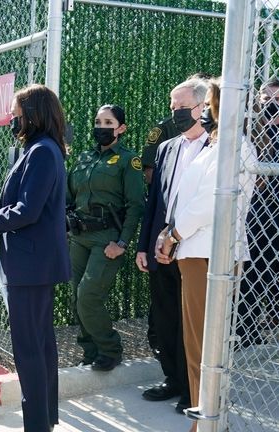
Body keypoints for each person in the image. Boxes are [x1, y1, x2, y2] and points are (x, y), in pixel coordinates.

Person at [0, 84, 70, 432]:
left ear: (33, 115)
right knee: (40, 347)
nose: (13, 119)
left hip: (31, 266)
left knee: (29, 351)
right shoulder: (43, 148)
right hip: (35, 264)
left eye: (16, 114)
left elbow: (27, 211)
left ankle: (37, 425)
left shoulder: (41, 151)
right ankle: (45, 420)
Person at [155, 79, 255, 432]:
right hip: (196, 252)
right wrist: (170, 234)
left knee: (203, 347)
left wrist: (174, 235)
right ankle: (207, 418)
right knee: (197, 344)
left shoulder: (234, 147)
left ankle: (208, 421)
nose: (204, 113)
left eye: (209, 105)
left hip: (209, 255)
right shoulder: (215, 147)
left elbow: (210, 202)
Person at [136, 78, 211, 414]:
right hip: (161, 249)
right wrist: (144, 245)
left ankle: (193, 387)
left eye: (181, 106)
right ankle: (173, 379)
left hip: (194, 247)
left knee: (191, 322)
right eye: (172, 106)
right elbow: (153, 202)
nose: (175, 112)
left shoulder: (215, 147)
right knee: (165, 316)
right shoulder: (167, 148)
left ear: (202, 106)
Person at [66, 104, 145, 372]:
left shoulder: (127, 160)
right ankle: (90, 351)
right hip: (79, 237)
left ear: (121, 128)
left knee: (88, 296)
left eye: (108, 123)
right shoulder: (84, 158)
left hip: (107, 239)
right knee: (77, 297)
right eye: (98, 122)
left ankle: (110, 350)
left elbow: (136, 206)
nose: (101, 127)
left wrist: (122, 243)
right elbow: (69, 196)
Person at [237, 78, 279, 347]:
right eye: (266, 99)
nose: (271, 105)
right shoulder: (254, 134)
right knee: (248, 277)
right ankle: (245, 335)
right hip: (254, 217)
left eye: (277, 101)